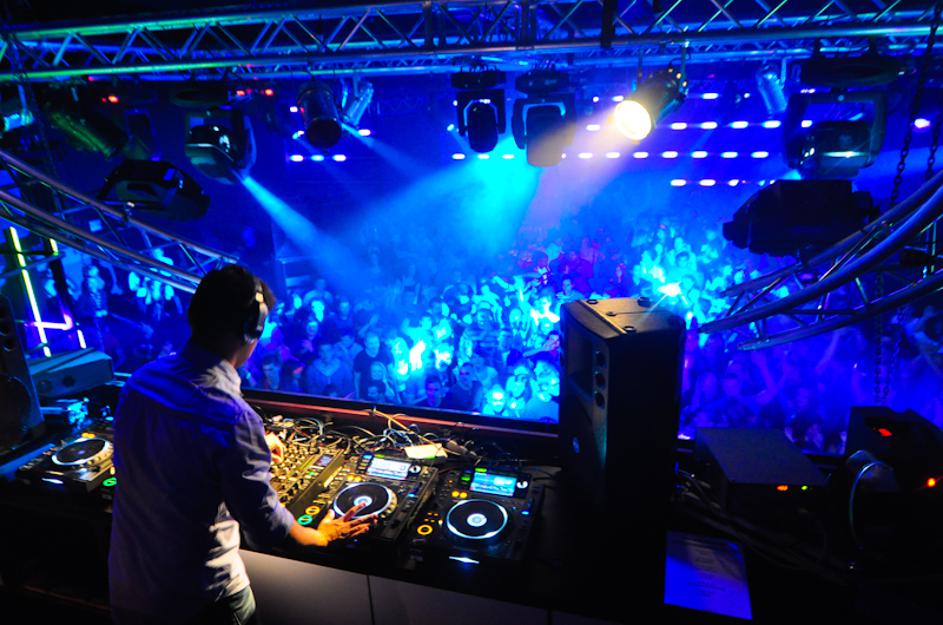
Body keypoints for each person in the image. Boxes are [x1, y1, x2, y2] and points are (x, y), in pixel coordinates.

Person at [109, 264, 376, 625]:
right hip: (201, 600)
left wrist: (249, 445)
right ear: (253, 328)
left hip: (129, 587)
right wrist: (321, 536)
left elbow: (175, 445)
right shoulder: (231, 417)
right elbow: (266, 529)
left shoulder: (141, 382)